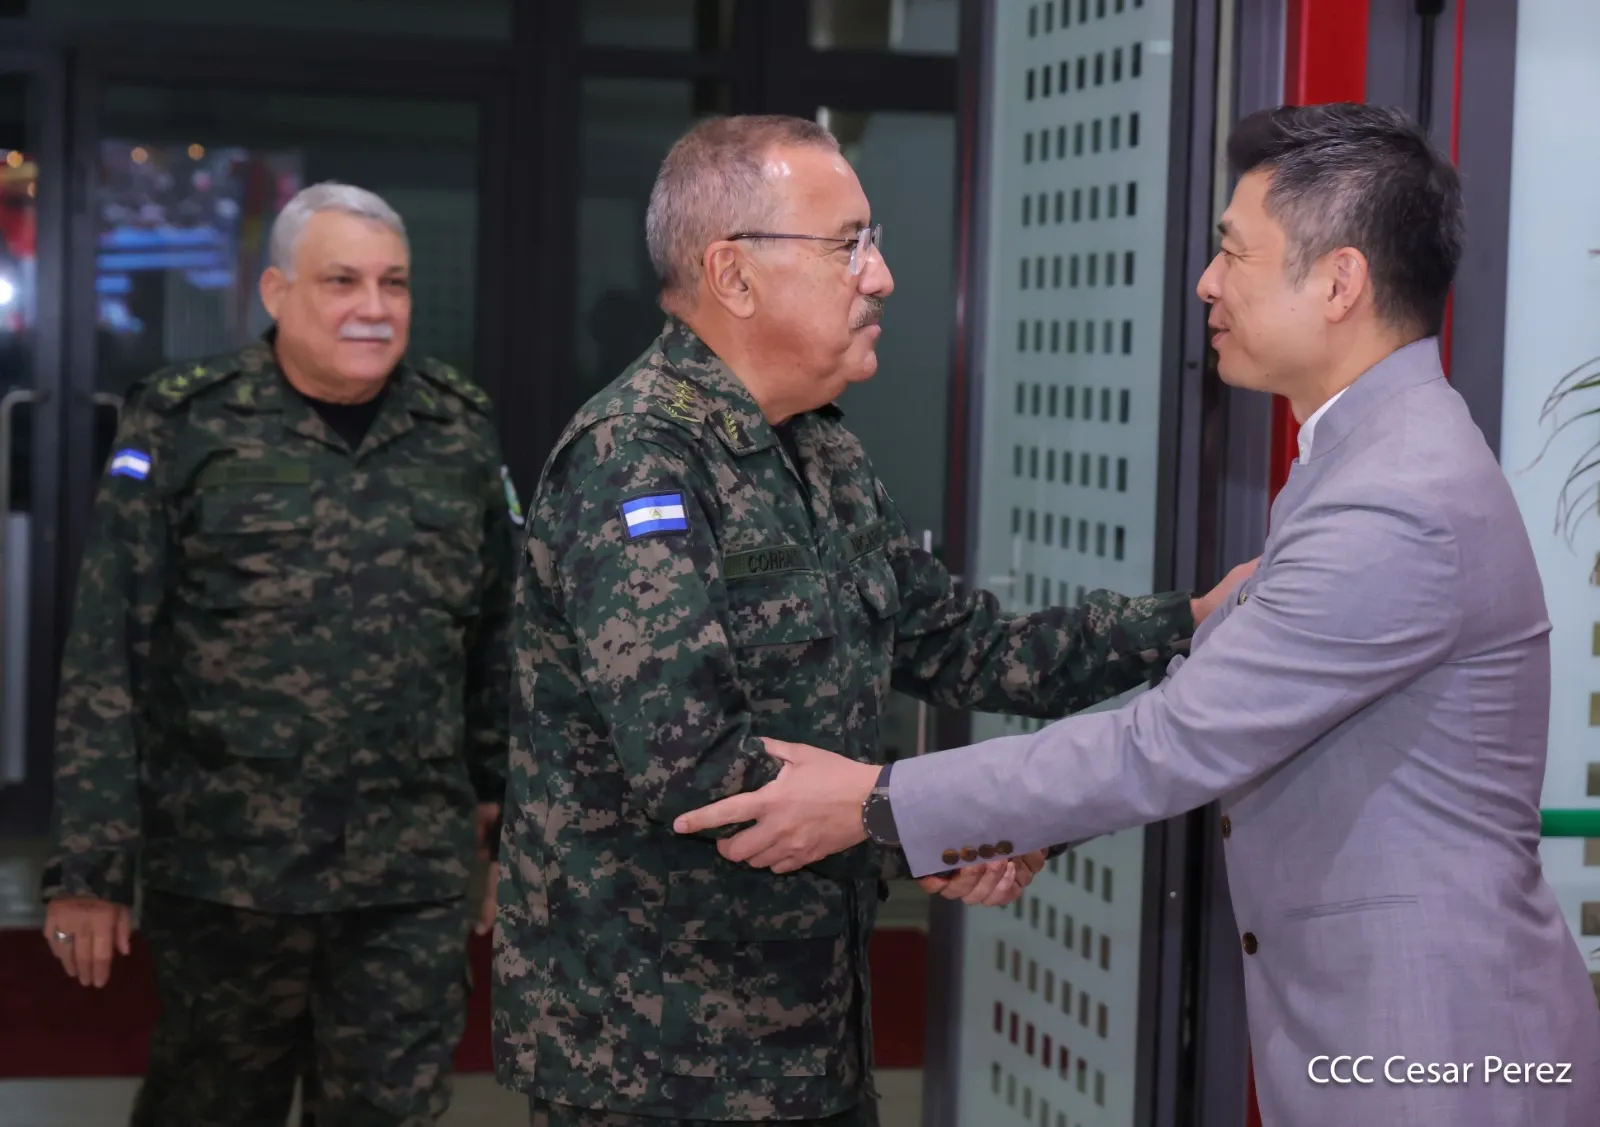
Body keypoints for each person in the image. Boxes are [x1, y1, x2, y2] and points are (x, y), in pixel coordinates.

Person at [673, 104, 1600, 1126]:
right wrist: (1021, 826)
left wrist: (876, 799)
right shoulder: (1367, 460)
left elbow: (1175, 739)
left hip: (1439, 1050)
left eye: (1232, 252)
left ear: (1338, 282)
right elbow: (1225, 711)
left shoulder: (1395, 498)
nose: (1205, 282)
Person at [492, 114, 1250, 1127]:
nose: (882, 275)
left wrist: (1186, 620)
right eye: (848, 243)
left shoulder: (818, 450)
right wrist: (953, 824)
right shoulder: (640, 460)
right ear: (734, 273)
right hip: (655, 1058)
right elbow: (701, 774)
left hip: (805, 1031)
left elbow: (967, 644)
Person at [41, 181, 516, 1127]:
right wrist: (90, 869)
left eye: (395, 283)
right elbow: (108, 654)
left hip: (406, 877)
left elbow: (500, 637)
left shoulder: (458, 428)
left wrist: (511, 828)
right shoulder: (183, 423)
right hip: (228, 875)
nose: (374, 309)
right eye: (342, 280)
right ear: (274, 290)